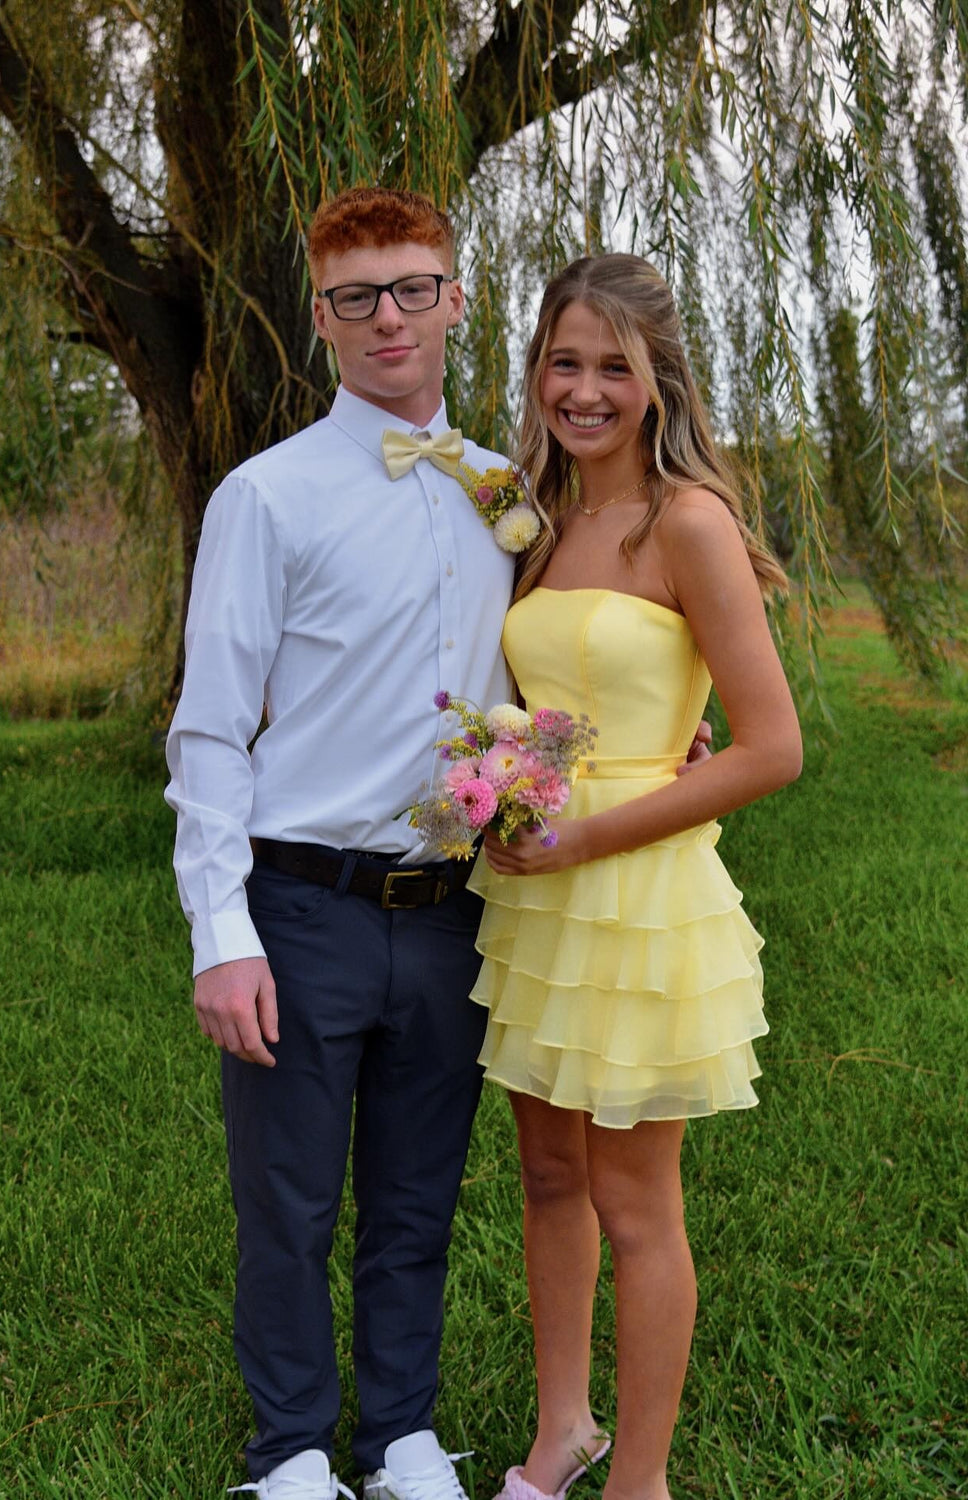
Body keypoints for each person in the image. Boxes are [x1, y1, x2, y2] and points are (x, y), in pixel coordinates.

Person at [164, 187, 518, 1500]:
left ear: (455, 301)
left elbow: (551, 665)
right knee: (291, 1206)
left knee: (418, 1197)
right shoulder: (268, 499)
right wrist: (222, 936)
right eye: (360, 295)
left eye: (414, 286)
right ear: (321, 316)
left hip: (451, 909)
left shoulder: (505, 491)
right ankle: (295, 1451)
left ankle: (401, 1436)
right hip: (300, 903)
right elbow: (209, 730)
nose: (390, 316)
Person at [467, 255, 803, 1500]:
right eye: (565, 361)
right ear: (537, 371)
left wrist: (595, 831)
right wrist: (505, 785)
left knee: (631, 1196)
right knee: (547, 1174)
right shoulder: (536, 521)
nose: (586, 390)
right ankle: (563, 1432)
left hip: (638, 884)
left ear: (659, 380)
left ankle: (639, 1483)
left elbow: (773, 749)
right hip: (536, 886)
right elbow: (553, 700)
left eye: (614, 366)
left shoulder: (688, 524)